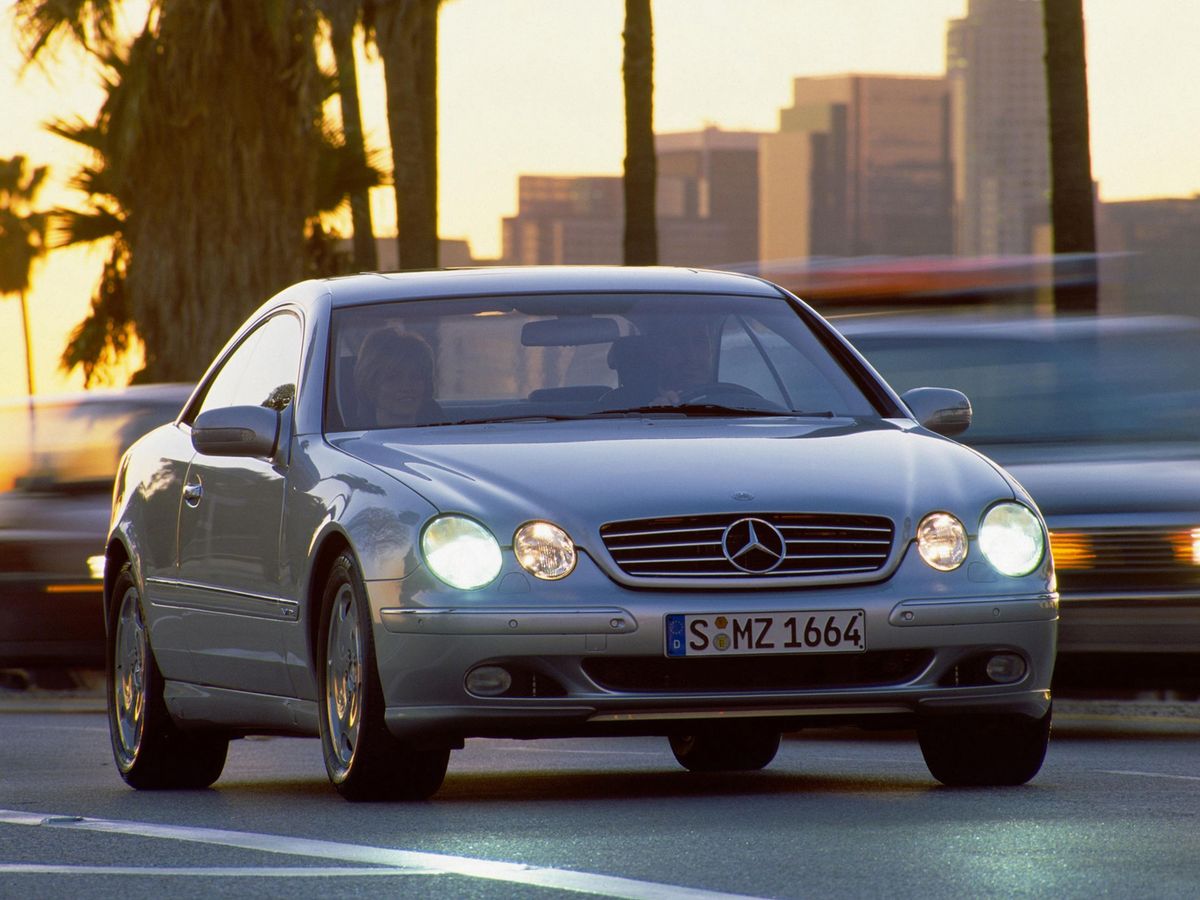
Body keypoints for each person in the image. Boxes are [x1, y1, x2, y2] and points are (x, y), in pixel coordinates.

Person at [604, 319, 716, 407]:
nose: (692, 356)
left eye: (700, 342)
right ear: (656, 352)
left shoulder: (731, 400)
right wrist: (656, 415)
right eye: (678, 343)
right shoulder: (621, 408)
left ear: (711, 349)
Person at [352, 329, 442, 427]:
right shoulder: (349, 437)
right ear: (370, 383)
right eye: (393, 378)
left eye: (416, 377)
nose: (406, 387)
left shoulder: (444, 435)